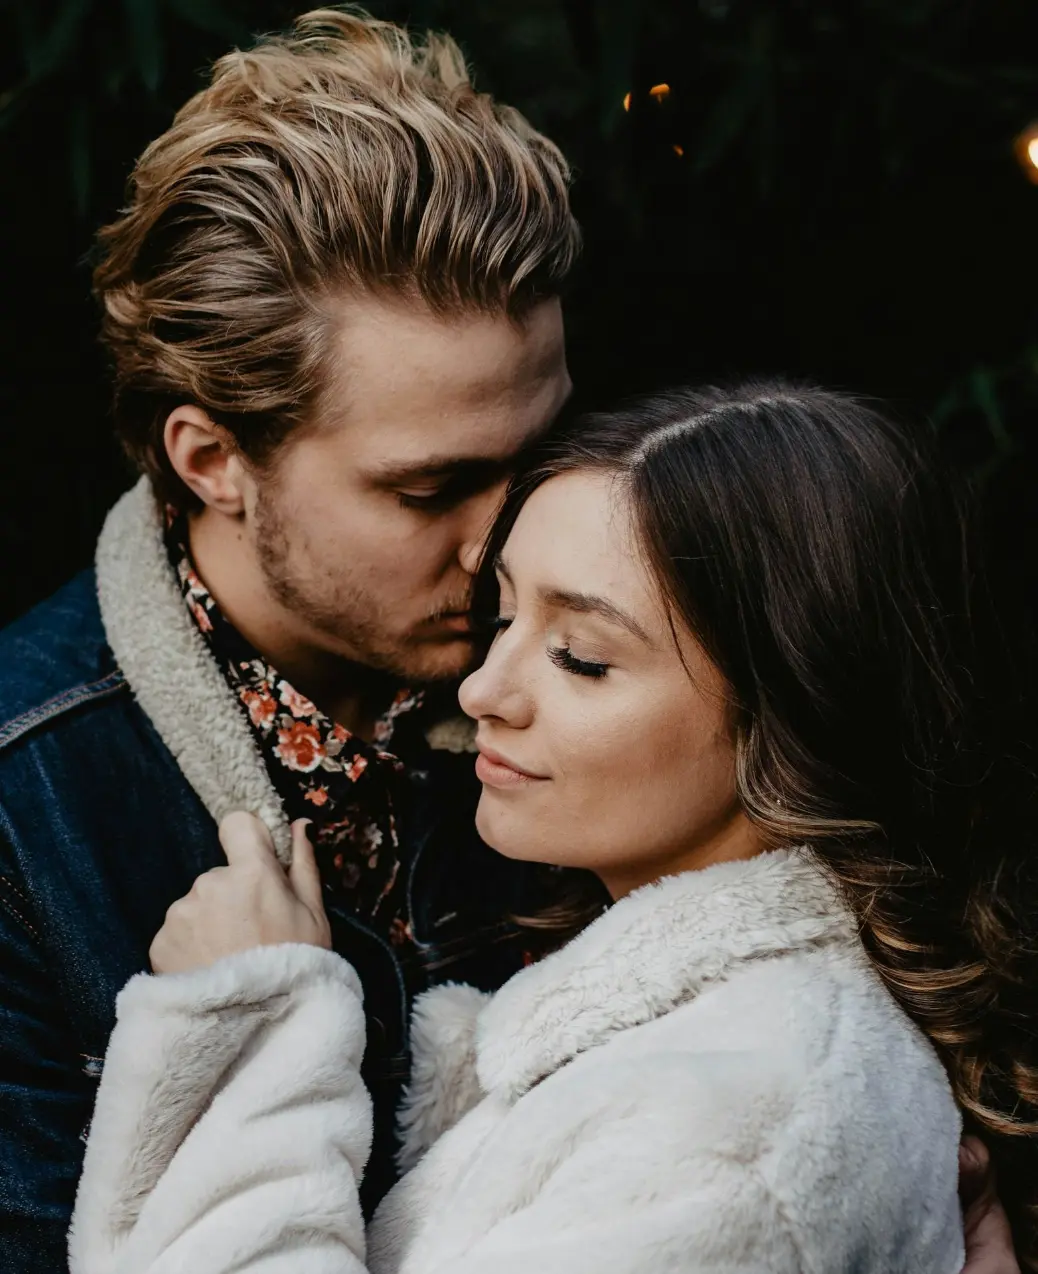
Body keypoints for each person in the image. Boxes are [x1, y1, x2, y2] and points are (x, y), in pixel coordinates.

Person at [67, 384, 1036, 1272]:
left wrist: (254, 1037)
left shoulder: (732, 1130)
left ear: (796, 717)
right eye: (501, 618)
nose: (482, 690)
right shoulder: (707, 1053)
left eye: (580, 656)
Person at [0, 12, 579, 1270]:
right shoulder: (21, 813)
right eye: (431, 489)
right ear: (212, 459)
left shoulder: (637, 683)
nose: (508, 541)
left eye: (541, 457)